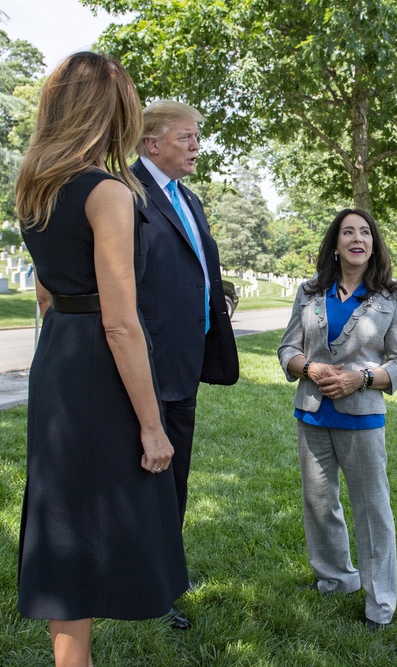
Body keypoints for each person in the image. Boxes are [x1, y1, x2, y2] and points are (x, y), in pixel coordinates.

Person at [15, 52, 188, 667]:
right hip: (97, 361)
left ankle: (71, 656)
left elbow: (44, 291)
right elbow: (121, 321)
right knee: (101, 519)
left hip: (58, 357)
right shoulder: (108, 192)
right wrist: (150, 425)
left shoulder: (36, 182)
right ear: (115, 111)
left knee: (65, 518)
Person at [278, 208, 397, 632]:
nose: (357, 238)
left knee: (373, 511)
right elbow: (287, 349)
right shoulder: (309, 291)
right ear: (335, 244)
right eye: (347, 232)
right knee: (320, 504)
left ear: (374, 244)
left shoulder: (392, 298)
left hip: (363, 419)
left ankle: (380, 604)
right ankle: (336, 579)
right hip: (312, 414)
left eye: (365, 232)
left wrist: (364, 377)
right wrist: (309, 369)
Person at [132, 100, 239, 629]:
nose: (197, 145)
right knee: (146, 473)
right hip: (145, 362)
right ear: (151, 143)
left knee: (176, 472)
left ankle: (166, 571)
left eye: (197, 137)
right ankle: (144, 583)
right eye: (186, 137)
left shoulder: (188, 198)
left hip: (185, 360)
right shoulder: (126, 194)